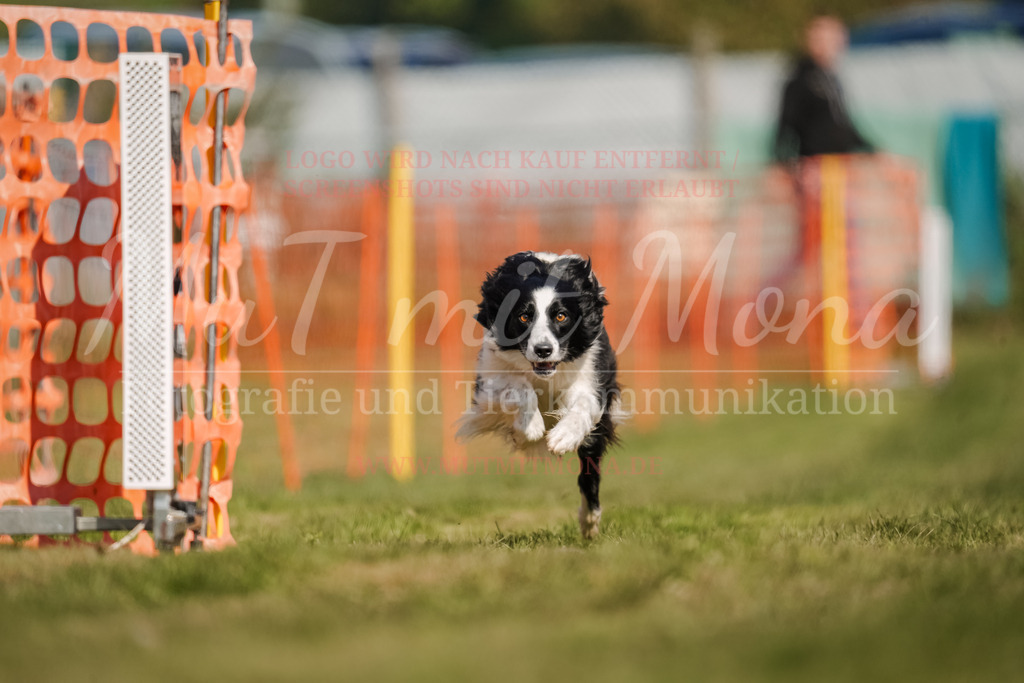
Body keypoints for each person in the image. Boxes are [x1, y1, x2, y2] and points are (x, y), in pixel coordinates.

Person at [773, 15, 874, 162]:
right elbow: (785, 130)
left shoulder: (831, 79)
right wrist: (783, 163)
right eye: (820, 39)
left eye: (832, 39)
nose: (827, 45)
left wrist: (872, 150)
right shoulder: (800, 80)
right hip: (815, 163)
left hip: (840, 160)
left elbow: (842, 126)